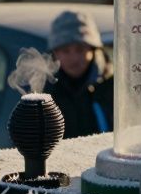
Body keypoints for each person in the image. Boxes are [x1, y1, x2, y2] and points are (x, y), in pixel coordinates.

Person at [47, 9, 115, 139]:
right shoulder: (45, 94)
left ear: (93, 50)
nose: (74, 58)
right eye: (65, 51)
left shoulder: (115, 89)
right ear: (55, 53)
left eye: (80, 49)